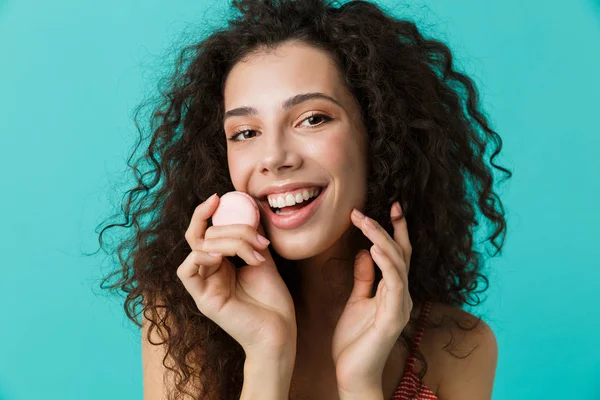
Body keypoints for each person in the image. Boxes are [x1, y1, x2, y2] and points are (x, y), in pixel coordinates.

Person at [97, 0, 510, 398]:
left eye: (312, 119)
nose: (275, 158)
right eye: (245, 132)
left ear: (382, 137)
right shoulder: (184, 323)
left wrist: (359, 384)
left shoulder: (459, 346)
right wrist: (266, 355)